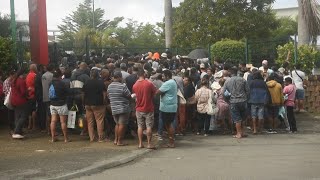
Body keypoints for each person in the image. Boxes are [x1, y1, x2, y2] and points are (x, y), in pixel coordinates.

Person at [133, 69, 157, 149]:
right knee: (149, 126)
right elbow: (155, 93)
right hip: (148, 108)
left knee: (140, 126)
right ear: (144, 74)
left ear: (137, 75)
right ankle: (149, 144)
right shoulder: (149, 84)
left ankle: (140, 143)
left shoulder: (135, 85)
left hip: (139, 108)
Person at [223, 67, 250, 139]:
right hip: (243, 100)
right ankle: (243, 132)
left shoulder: (227, 81)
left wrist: (227, 100)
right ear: (237, 72)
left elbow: (224, 93)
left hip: (233, 101)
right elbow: (248, 91)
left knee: (237, 118)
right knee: (243, 118)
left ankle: (238, 133)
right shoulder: (243, 80)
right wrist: (246, 98)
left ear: (230, 73)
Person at [107, 71, 132, 146]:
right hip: (123, 107)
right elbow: (129, 95)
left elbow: (108, 96)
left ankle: (116, 140)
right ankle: (120, 141)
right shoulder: (122, 86)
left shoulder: (109, 86)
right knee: (122, 124)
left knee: (117, 124)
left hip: (114, 107)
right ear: (119, 77)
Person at [83, 69, 107, 142]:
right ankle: (100, 138)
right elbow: (104, 94)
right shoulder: (100, 82)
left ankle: (92, 138)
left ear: (91, 75)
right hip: (98, 104)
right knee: (99, 121)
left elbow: (83, 94)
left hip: (88, 104)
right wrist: (104, 101)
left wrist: (83, 102)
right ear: (98, 75)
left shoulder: (86, 82)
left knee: (90, 122)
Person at [156, 70, 177, 148]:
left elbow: (158, 92)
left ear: (167, 76)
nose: (162, 77)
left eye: (163, 76)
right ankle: (171, 141)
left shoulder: (168, 83)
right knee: (168, 124)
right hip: (171, 106)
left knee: (169, 124)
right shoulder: (173, 82)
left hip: (167, 107)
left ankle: (171, 142)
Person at [49, 70, 70, 143]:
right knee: (63, 122)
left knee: (53, 121)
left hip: (52, 104)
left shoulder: (50, 83)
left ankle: (53, 138)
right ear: (60, 76)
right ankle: (66, 138)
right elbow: (68, 92)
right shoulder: (62, 83)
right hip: (61, 104)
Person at [11, 70, 28, 139]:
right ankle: (16, 131)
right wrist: (28, 90)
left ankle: (18, 131)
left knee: (17, 117)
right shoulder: (21, 81)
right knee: (23, 117)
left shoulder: (14, 80)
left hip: (14, 101)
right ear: (23, 74)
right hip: (21, 101)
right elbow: (23, 92)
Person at [42, 64, 54, 134]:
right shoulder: (51, 75)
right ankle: (51, 130)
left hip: (45, 95)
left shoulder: (43, 75)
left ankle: (48, 130)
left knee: (47, 113)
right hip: (51, 97)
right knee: (52, 114)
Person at [26, 64, 37, 130]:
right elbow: (36, 85)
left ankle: (29, 125)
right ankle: (34, 125)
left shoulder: (27, 75)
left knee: (29, 111)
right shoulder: (35, 75)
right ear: (34, 68)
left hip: (28, 95)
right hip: (33, 95)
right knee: (34, 110)